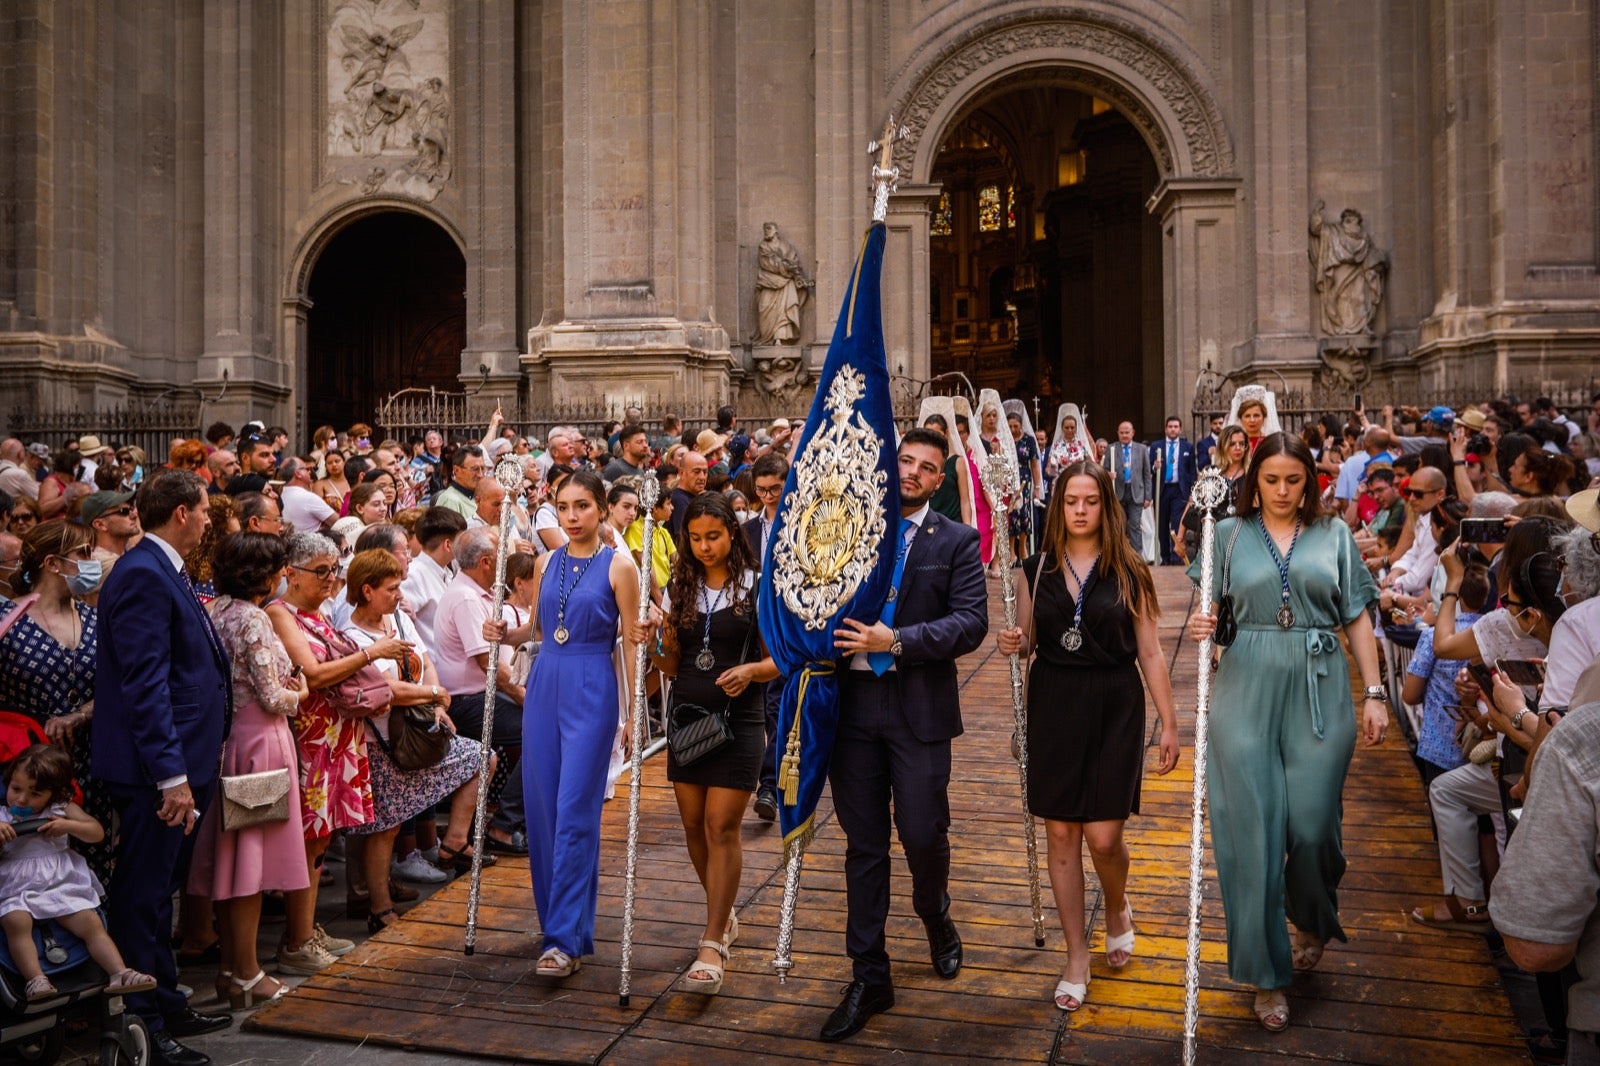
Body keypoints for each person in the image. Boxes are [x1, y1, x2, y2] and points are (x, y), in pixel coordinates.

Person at [1185, 432, 1385, 1032]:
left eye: (1292, 480)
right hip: (1244, 684)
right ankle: (1266, 973)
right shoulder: (1225, 534)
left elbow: (1356, 615)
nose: (1280, 491)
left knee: (1314, 825)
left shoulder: (1335, 536)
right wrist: (1204, 625)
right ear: (1254, 481)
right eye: (1269, 480)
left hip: (1320, 685)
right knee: (1253, 831)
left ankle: (1311, 913)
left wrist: (1374, 693)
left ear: (1310, 482)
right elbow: (1212, 613)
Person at [820, 428, 989, 1043]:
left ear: (938, 480)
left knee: (922, 833)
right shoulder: (849, 530)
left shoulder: (957, 542)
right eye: (906, 461)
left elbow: (972, 622)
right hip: (852, 709)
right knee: (863, 847)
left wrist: (899, 641)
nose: (913, 472)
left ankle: (934, 912)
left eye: (926, 467)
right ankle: (870, 975)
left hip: (918, 706)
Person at [996, 460, 1179, 1011]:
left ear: (1106, 506)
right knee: (1060, 836)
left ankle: (1117, 902)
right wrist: (1013, 642)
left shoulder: (1131, 569)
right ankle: (1077, 955)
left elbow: (1149, 652)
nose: (1079, 510)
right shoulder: (1037, 566)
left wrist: (1170, 724)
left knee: (1103, 838)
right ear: (1058, 507)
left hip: (1114, 705)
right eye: (1070, 501)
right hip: (1053, 703)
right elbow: (1028, 640)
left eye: (1090, 501)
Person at [92, 469, 234, 1062]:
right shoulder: (144, 574)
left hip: (184, 759)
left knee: (162, 890)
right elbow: (144, 682)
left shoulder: (161, 568)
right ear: (180, 512)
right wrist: (170, 775)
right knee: (143, 893)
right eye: (203, 510)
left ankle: (167, 999)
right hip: (159, 770)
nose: (207, 520)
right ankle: (143, 1021)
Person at [633, 493, 776, 994]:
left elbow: (784, 658)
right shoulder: (681, 585)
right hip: (688, 720)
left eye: (713, 536)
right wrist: (655, 636)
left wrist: (752, 671)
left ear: (732, 535)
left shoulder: (758, 586)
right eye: (694, 538)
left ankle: (712, 940)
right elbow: (671, 664)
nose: (703, 547)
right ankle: (723, 911)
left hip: (739, 719)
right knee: (693, 825)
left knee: (722, 826)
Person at [515, 470, 640, 977]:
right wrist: (504, 631)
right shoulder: (546, 561)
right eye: (563, 507)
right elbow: (536, 629)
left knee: (575, 810)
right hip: (545, 682)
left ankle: (563, 939)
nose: (571, 516)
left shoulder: (620, 566)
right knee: (543, 809)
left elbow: (631, 641)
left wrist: (631, 713)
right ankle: (559, 923)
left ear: (602, 507)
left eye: (582, 506)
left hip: (593, 684)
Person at [185, 533, 308, 1011]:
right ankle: (248, 973)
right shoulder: (254, 617)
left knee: (231, 862)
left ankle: (231, 971)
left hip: (227, 741)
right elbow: (273, 697)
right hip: (260, 741)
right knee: (249, 869)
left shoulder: (215, 609)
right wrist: (299, 692)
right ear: (264, 573)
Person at [340, 549, 490, 931]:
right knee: (385, 826)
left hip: (417, 731)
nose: (398, 593)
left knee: (479, 757)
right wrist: (433, 696)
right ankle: (380, 906)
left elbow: (428, 661)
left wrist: (436, 698)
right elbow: (384, 689)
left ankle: (454, 842)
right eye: (391, 588)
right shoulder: (351, 637)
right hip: (381, 744)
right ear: (367, 590)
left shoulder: (400, 620)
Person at [268, 531, 390, 976]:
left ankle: (307, 927)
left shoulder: (316, 615)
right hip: (311, 740)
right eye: (321, 572)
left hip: (335, 739)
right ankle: (297, 938)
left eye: (333, 570)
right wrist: (371, 654)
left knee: (321, 838)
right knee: (309, 837)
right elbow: (315, 675)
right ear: (291, 574)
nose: (330, 580)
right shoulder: (281, 614)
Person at [0, 745, 157, 1001]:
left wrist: (68, 825)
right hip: (18, 887)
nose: (21, 800)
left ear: (53, 794)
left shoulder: (61, 809)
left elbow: (96, 832)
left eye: (35, 793)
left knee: (90, 921)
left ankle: (119, 973)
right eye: (16, 789)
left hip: (59, 883)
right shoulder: (3, 816)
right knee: (15, 921)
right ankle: (35, 979)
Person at [435, 527, 529, 857]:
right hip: (467, 701)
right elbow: (487, 663)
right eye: (502, 559)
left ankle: (510, 818)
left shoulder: (475, 593)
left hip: (480, 695)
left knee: (545, 728)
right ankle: (504, 825)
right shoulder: (465, 597)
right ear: (486, 562)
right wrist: (524, 696)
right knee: (543, 731)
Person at [1176, 424, 1248, 564]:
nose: (1238, 448)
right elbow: (1193, 503)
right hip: (1212, 538)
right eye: (1232, 444)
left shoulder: (1252, 474)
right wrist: (1180, 537)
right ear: (1223, 446)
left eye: (1242, 444)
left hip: (1242, 538)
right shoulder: (1209, 473)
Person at [1151, 416, 1197, 565]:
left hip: (1179, 489)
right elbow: (1149, 468)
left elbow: (1192, 471)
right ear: (1165, 429)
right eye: (1170, 426)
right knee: (1162, 524)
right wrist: (1154, 466)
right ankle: (1165, 557)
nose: (1173, 429)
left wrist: (1193, 491)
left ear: (1180, 429)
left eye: (1176, 426)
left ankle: (1176, 556)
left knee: (1177, 523)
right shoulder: (1156, 446)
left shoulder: (1187, 447)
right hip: (1162, 489)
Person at [1004, 402, 1043, 561]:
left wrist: (1037, 486)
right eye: (1010, 426)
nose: (1013, 429)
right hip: (1008, 479)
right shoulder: (1005, 440)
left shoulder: (1029, 440)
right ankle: (1011, 550)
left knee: (1024, 514)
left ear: (1021, 425)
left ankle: (1023, 547)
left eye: (1016, 426)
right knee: (1011, 513)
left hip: (1024, 479)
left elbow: (1034, 463)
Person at [1107, 422, 1151, 556]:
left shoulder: (1142, 449)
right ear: (1118, 433)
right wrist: (1108, 474)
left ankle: (1136, 556)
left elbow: (1146, 473)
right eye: (1122, 433)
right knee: (1118, 525)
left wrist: (1148, 496)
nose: (1124, 435)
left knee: (1135, 526)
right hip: (1118, 492)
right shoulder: (1111, 448)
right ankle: (1118, 555)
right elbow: (1104, 469)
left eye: (1127, 432)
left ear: (1133, 432)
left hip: (1136, 492)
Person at [279, 457, 337, 532]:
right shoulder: (308, 498)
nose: (310, 472)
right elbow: (338, 522)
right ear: (298, 474)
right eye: (306, 469)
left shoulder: (279, 495)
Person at [432, 445, 485, 519]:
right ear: (457, 470)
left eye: (482, 468)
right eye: (475, 469)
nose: (480, 475)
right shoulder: (450, 500)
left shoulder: (479, 496)